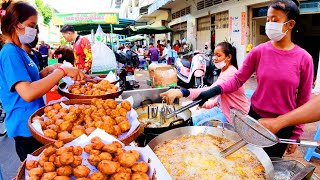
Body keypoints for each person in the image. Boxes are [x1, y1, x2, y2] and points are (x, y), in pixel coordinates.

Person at [193, 0, 313, 158]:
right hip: (255, 118)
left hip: (283, 123)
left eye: (275, 20)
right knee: (245, 160)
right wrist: (212, 91)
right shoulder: (259, 51)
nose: (269, 24)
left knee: (269, 164)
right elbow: (237, 79)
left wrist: (295, 134)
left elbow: (303, 101)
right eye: (268, 19)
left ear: (290, 24)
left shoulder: (304, 59)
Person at [0, 1, 86, 161]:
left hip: (36, 123)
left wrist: (49, 70)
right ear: (14, 25)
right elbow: (28, 92)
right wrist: (62, 71)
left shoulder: (20, 50)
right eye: (30, 25)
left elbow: (31, 80)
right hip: (25, 128)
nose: (34, 30)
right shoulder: (10, 53)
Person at [160, 42, 249, 125]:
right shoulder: (224, 70)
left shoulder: (231, 72)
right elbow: (220, 98)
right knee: (193, 120)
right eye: (214, 55)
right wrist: (206, 105)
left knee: (201, 127)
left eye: (219, 55)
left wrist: (183, 92)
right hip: (223, 109)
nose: (215, 58)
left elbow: (211, 90)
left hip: (235, 115)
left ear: (229, 57)